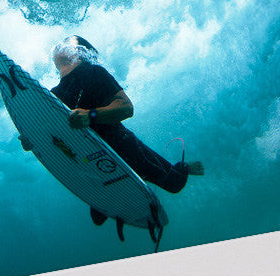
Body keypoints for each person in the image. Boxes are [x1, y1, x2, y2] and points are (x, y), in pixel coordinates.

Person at [23, 35, 203, 227]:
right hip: (88, 159)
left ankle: (186, 167)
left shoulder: (93, 73)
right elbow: (52, 135)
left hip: (124, 147)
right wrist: (32, 138)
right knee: (97, 219)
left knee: (173, 183)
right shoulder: (53, 95)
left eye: (68, 42)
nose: (60, 44)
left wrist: (90, 115)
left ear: (80, 52)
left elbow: (126, 107)